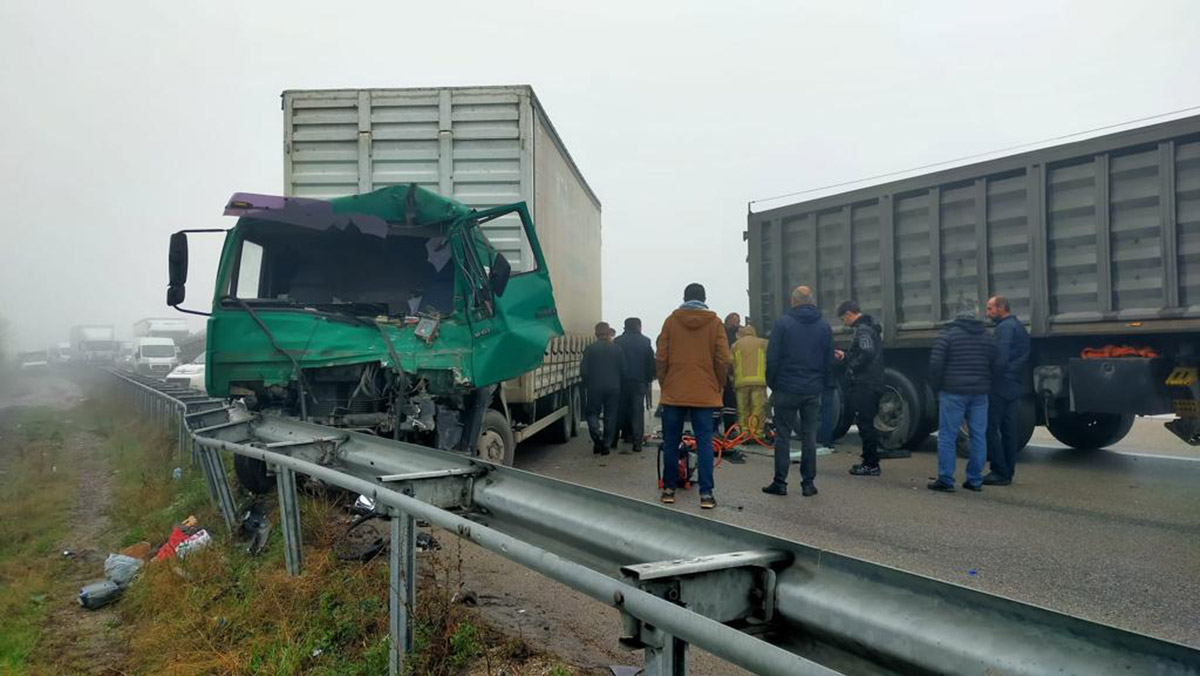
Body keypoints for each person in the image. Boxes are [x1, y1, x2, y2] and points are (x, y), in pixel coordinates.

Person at [657, 283, 731, 509]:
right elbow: (723, 359)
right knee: (705, 443)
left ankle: (669, 490)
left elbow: (661, 357)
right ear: (704, 298)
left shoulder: (671, 322)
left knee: (671, 441)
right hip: (704, 391)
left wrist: (665, 382)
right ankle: (706, 495)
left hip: (674, 391)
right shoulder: (715, 324)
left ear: (684, 297)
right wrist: (717, 385)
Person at [763, 286, 833, 498]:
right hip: (812, 389)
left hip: (786, 388)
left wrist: (773, 384)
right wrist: (823, 384)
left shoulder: (782, 324)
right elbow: (828, 360)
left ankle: (780, 482)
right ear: (812, 301)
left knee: (783, 436)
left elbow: (772, 358)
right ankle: (808, 484)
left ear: (793, 302)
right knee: (809, 436)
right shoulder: (823, 326)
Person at [927, 299, 1001, 492]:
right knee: (978, 436)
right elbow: (997, 364)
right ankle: (975, 480)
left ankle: (946, 479)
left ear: (956, 314)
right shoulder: (987, 336)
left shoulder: (948, 335)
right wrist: (987, 382)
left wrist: (938, 387)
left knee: (947, 437)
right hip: (979, 394)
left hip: (953, 392)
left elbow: (936, 364)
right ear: (976, 314)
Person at [983, 295, 1031, 486]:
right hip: (1014, 384)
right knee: (1009, 429)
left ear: (1002, 308)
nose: (988, 313)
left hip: (1000, 385)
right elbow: (1025, 354)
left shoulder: (1003, 329)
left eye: (990, 309)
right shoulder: (1019, 327)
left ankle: (999, 470)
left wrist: (992, 378)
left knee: (990, 427)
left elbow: (1000, 359)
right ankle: (1008, 470)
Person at [835, 300, 885, 477]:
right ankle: (870, 460)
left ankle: (871, 464)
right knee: (867, 422)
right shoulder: (870, 327)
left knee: (865, 424)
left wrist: (852, 366)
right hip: (874, 381)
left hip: (866, 383)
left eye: (843, 319)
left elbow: (867, 352)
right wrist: (846, 355)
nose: (844, 323)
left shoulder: (862, 330)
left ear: (849, 314)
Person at [581, 322, 625, 455]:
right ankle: (606, 444)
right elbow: (623, 369)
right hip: (613, 387)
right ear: (608, 333)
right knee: (610, 416)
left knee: (592, 413)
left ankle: (597, 437)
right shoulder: (617, 349)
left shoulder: (590, 349)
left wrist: (587, 383)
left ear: (596, 334)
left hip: (595, 387)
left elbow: (584, 370)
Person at [614, 317, 656, 453]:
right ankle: (637, 443)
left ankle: (613, 440)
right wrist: (649, 378)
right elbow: (650, 362)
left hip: (621, 382)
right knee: (637, 411)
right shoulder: (645, 341)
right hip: (639, 382)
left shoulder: (618, 341)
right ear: (638, 326)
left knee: (619, 411)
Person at [731, 325, 769, 439]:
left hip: (741, 383)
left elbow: (730, 363)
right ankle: (756, 434)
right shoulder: (763, 343)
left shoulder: (735, 345)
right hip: (758, 382)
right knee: (757, 408)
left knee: (743, 410)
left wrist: (732, 379)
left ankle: (745, 433)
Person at [721, 312, 742, 434]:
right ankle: (728, 429)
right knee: (728, 400)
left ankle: (729, 428)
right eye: (736, 321)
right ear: (728, 321)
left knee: (730, 401)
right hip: (725, 371)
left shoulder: (735, 336)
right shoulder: (726, 335)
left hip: (731, 372)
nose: (738, 324)